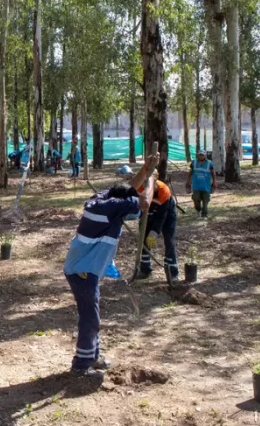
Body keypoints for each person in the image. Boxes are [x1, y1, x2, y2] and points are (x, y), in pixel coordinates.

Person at [63, 153, 158, 376]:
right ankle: (81, 364)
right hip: (82, 271)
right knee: (90, 317)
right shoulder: (114, 209)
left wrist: (145, 170)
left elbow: (129, 188)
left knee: (91, 314)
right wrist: (152, 179)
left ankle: (91, 355)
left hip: (84, 267)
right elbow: (144, 203)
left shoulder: (102, 198)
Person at [137, 173, 179, 281]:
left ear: (155, 183)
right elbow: (138, 205)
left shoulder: (163, 190)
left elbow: (162, 216)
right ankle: (145, 269)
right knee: (144, 240)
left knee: (169, 241)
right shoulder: (140, 188)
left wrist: (154, 232)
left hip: (167, 215)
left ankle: (172, 272)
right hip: (148, 213)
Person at [186, 150, 215, 218]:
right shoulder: (194, 163)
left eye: (202, 155)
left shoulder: (209, 163)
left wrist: (214, 182)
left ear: (205, 156)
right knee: (196, 199)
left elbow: (213, 173)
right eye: (200, 155)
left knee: (205, 202)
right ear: (198, 155)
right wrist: (188, 181)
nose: (201, 156)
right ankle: (198, 210)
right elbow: (190, 173)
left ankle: (204, 215)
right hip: (196, 186)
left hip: (206, 186)